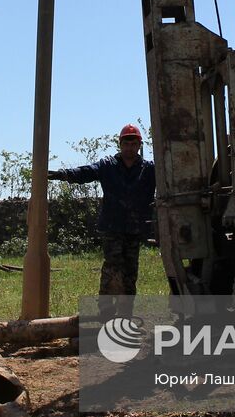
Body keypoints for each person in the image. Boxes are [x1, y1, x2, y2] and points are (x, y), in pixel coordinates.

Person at [47, 123, 155, 296]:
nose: (130, 148)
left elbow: (170, 178)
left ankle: (126, 315)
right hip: (112, 228)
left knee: (130, 272)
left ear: (139, 145)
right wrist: (63, 174)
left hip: (134, 229)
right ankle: (106, 312)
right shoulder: (108, 165)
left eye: (133, 144)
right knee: (112, 269)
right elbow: (87, 172)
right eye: (126, 144)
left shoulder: (149, 170)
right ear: (120, 145)